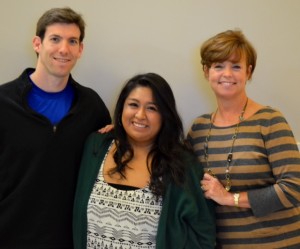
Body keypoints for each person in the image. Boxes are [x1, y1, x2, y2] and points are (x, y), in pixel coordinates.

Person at [0, 7, 111, 249]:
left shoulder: (91, 106)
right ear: (37, 43)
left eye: (72, 41)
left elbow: (105, 169)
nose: (64, 49)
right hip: (9, 237)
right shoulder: (3, 101)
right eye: (55, 39)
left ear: (80, 49)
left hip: (69, 239)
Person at [73, 73, 216, 249]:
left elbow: (204, 233)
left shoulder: (182, 163)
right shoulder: (96, 147)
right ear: (121, 109)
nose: (140, 115)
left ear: (165, 115)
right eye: (133, 105)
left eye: (152, 108)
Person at [187, 29, 300, 248]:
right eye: (218, 66)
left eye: (236, 66)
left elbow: (294, 188)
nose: (227, 74)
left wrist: (230, 198)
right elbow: (169, 161)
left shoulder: (269, 120)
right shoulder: (199, 129)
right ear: (206, 71)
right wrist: (124, 132)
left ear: (248, 72)